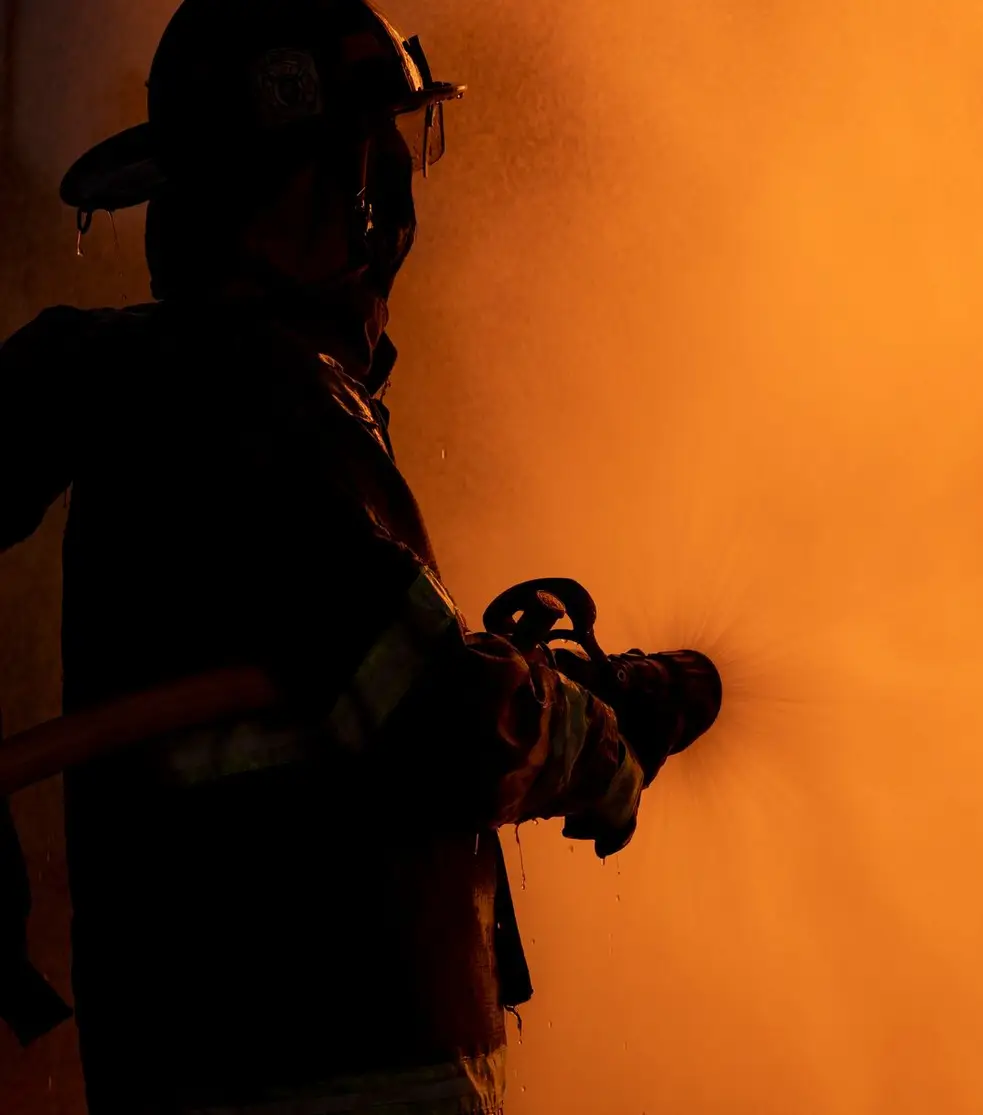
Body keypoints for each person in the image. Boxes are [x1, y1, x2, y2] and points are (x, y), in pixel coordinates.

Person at [0, 1, 706, 1110]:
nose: (394, 213)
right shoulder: (265, 405)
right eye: (379, 161)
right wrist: (595, 733)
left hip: (199, 1055)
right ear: (347, 190)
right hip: (324, 1063)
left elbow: (343, 668)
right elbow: (436, 717)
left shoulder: (148, 391)